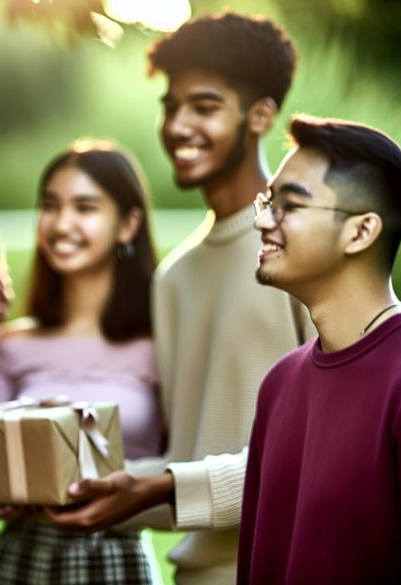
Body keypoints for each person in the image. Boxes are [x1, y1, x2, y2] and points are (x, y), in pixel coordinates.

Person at [49, 11, 314, 584]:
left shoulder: (302, 247)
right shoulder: (174, 278)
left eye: (205, 107)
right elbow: (185, 464)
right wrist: (73, 490)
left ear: (261, 115)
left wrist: (163, 485)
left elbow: (325, 452)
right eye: (171, 107)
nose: (178, 126)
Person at [0, 140, 165, 584]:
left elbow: (190, 460)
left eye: (85, 207)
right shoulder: (10, 342)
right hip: (20, 561)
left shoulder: (161, 343)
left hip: (118, 559)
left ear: (128, 224)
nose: (62, 224)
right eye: (50, 206)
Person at [239, 115, 401, 583]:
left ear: (361, 231)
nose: (260, 221)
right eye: (267, 202)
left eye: (288, 206)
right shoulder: (278, 386)